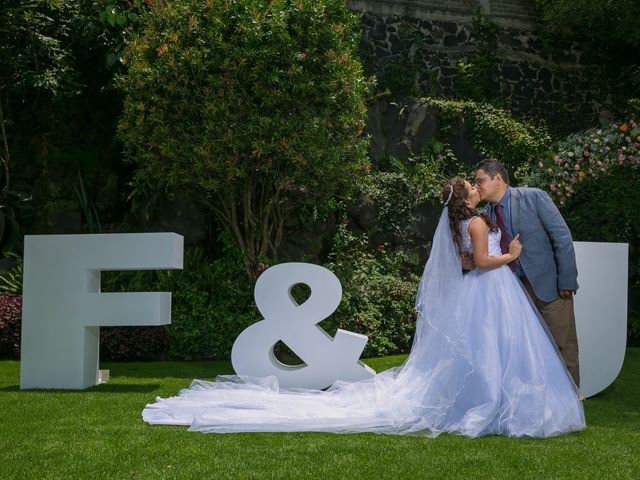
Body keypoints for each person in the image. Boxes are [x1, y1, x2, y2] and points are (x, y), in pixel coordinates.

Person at [142, 177, 585, 437]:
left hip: (488, 293)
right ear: (465, 199)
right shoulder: (474, 219)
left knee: (491, 350)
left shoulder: (472, 219)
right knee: (494, 349)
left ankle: (493, 398)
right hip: (491, 289)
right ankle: (492, 403)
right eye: (471, 186)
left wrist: (497, 255)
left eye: (476, 182)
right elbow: (484, 261)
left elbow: (470, 260)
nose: (475, 187)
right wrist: (511, 254)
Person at [470, 158, 580, 387]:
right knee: (527, 352)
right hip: (514, 293)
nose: (477, 185)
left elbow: (562, 237)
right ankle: (539, 405)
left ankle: (569, 402)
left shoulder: (534, 197)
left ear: (497, 178)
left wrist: (567, 280)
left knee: (562, 345)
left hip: (550, 287)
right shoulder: (485, 215)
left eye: (480, 180)